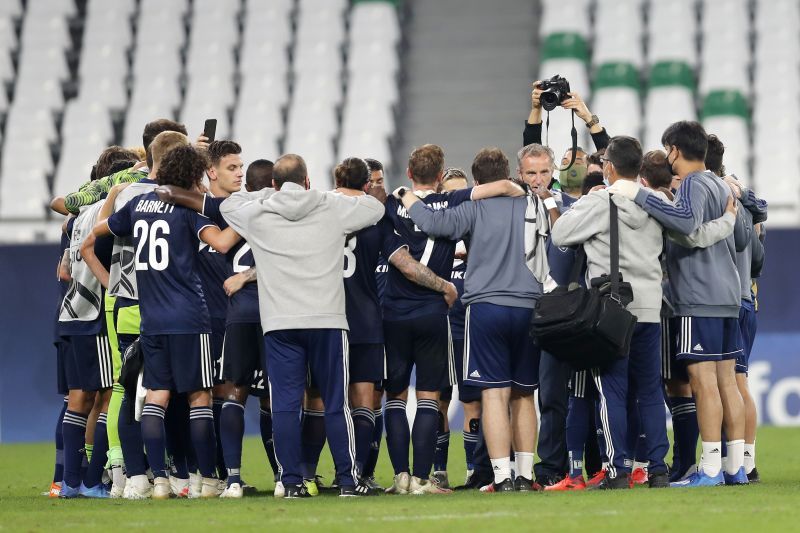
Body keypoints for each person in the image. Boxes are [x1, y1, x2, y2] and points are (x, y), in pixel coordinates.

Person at [218, 153, 385, 498]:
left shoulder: (260, 212)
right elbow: (375, 208)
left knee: (285, 406)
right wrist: (319, 195)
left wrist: (270, 195)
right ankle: (347, 481)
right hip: (327, 320)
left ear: (275, 184)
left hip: (280, 323)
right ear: (308, 181)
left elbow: (229, 205)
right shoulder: (329, 207)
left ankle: (291, 482)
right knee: (336, 404)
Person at [90, 145, 241, 499]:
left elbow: (99, 230)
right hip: (190, 317)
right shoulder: (185, 209)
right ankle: (208, 480)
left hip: (151, 319)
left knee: (155, 397)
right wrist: (243, 218)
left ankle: (159, 480)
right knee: (199, 399)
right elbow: (220, 243)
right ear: (193, 175)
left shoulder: (138, 206)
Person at [609, 121, 749, 487]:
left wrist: (641, 197)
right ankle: (735, 467)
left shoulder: (693, 183)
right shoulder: (720, 182)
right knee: (727, 383)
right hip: (728, 294)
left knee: (704, 384)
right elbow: (736, 239)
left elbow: (685, 224)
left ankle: (712, 469)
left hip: (698, 295)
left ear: (674, 149)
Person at [399, 147, 542, 492]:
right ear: (509, 173)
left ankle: (502, 478)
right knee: (524, 396)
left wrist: (407, 198)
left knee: (493, 394)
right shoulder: (531, 203)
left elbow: (432, 222)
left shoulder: (473, 207)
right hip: (528, 305)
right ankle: (525, 475)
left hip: (486, 306)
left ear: (477, 182)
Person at [83, 131, 191, 499]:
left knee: (127, 388)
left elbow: (89, 239)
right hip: (168, 306)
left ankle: (132, 477)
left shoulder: (128, 194)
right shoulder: (183, 199)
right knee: (172, 391)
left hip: (126, 303)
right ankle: (178, 473)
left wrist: (113, 284)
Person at [432, 167, 482, 490]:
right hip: (440, 329)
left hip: (471, 329)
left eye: (463, 193)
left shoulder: (479, 231)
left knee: (471, 403)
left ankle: (473, 469)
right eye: (451, 194)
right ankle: (438, 469)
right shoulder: (432, 236)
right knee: (438, 400)